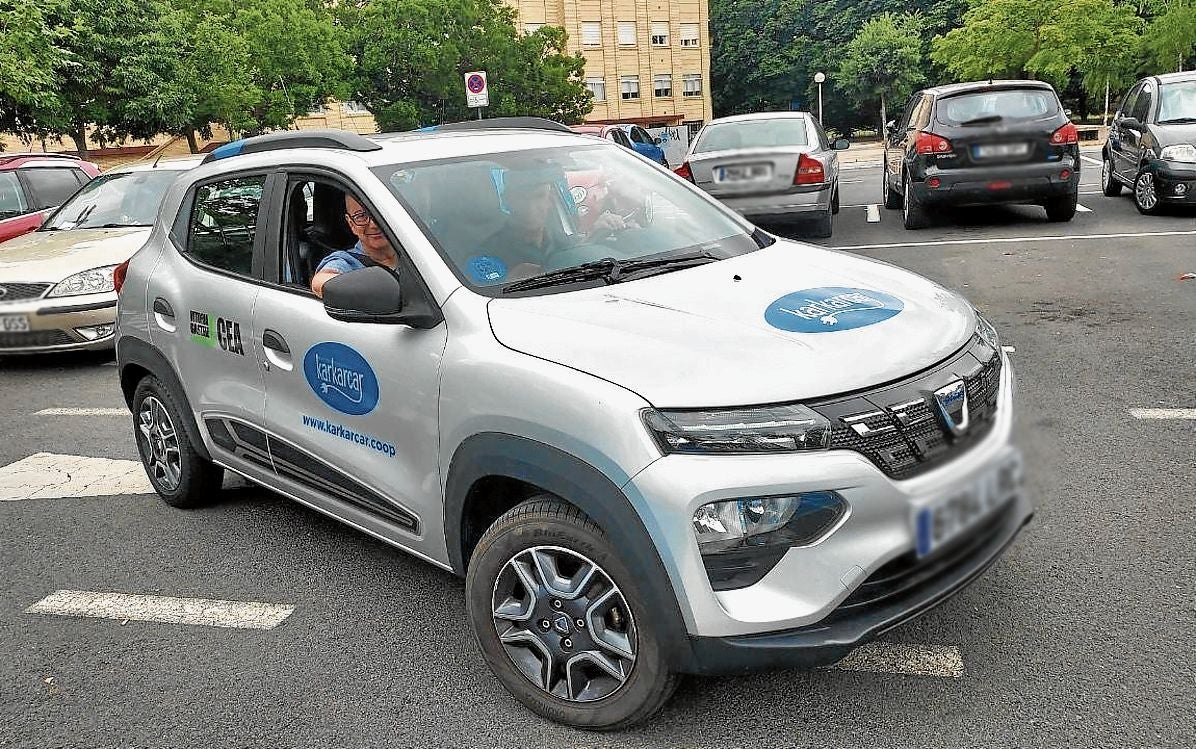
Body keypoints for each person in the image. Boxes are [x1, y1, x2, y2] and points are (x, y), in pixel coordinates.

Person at [311, 194, 399, 297]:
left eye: (379, 214)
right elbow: (319, 282)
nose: (374, 224)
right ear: (351, 224)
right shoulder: (349, 261)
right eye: (361, 216)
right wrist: (368, 290)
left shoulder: (412, 247)